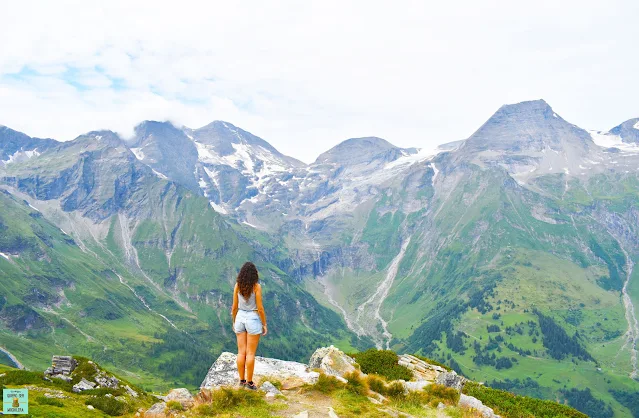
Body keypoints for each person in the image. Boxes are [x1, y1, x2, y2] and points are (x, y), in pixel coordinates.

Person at [231, 262, 268, 390]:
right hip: (253, 317)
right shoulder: (256, 287)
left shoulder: (237, 285)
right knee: (250, 353)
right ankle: (250, 383)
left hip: (240, 317)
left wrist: (234, 321)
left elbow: (234, 307)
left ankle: (241, 381)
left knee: (241, 352)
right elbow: (260, 308)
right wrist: (264, 324)